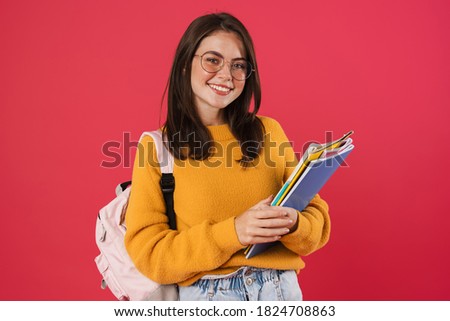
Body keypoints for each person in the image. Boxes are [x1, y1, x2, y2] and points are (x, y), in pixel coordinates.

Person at [124, 12, 330, 301]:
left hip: (280, 291)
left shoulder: (268, 131)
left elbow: (317, 224)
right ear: (185, 64)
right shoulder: (158, 148)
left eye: (238, 65)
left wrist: (292, 222)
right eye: (212, 60)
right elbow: (152, 256)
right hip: (208, 296)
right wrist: (235, 231)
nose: (226, 75)